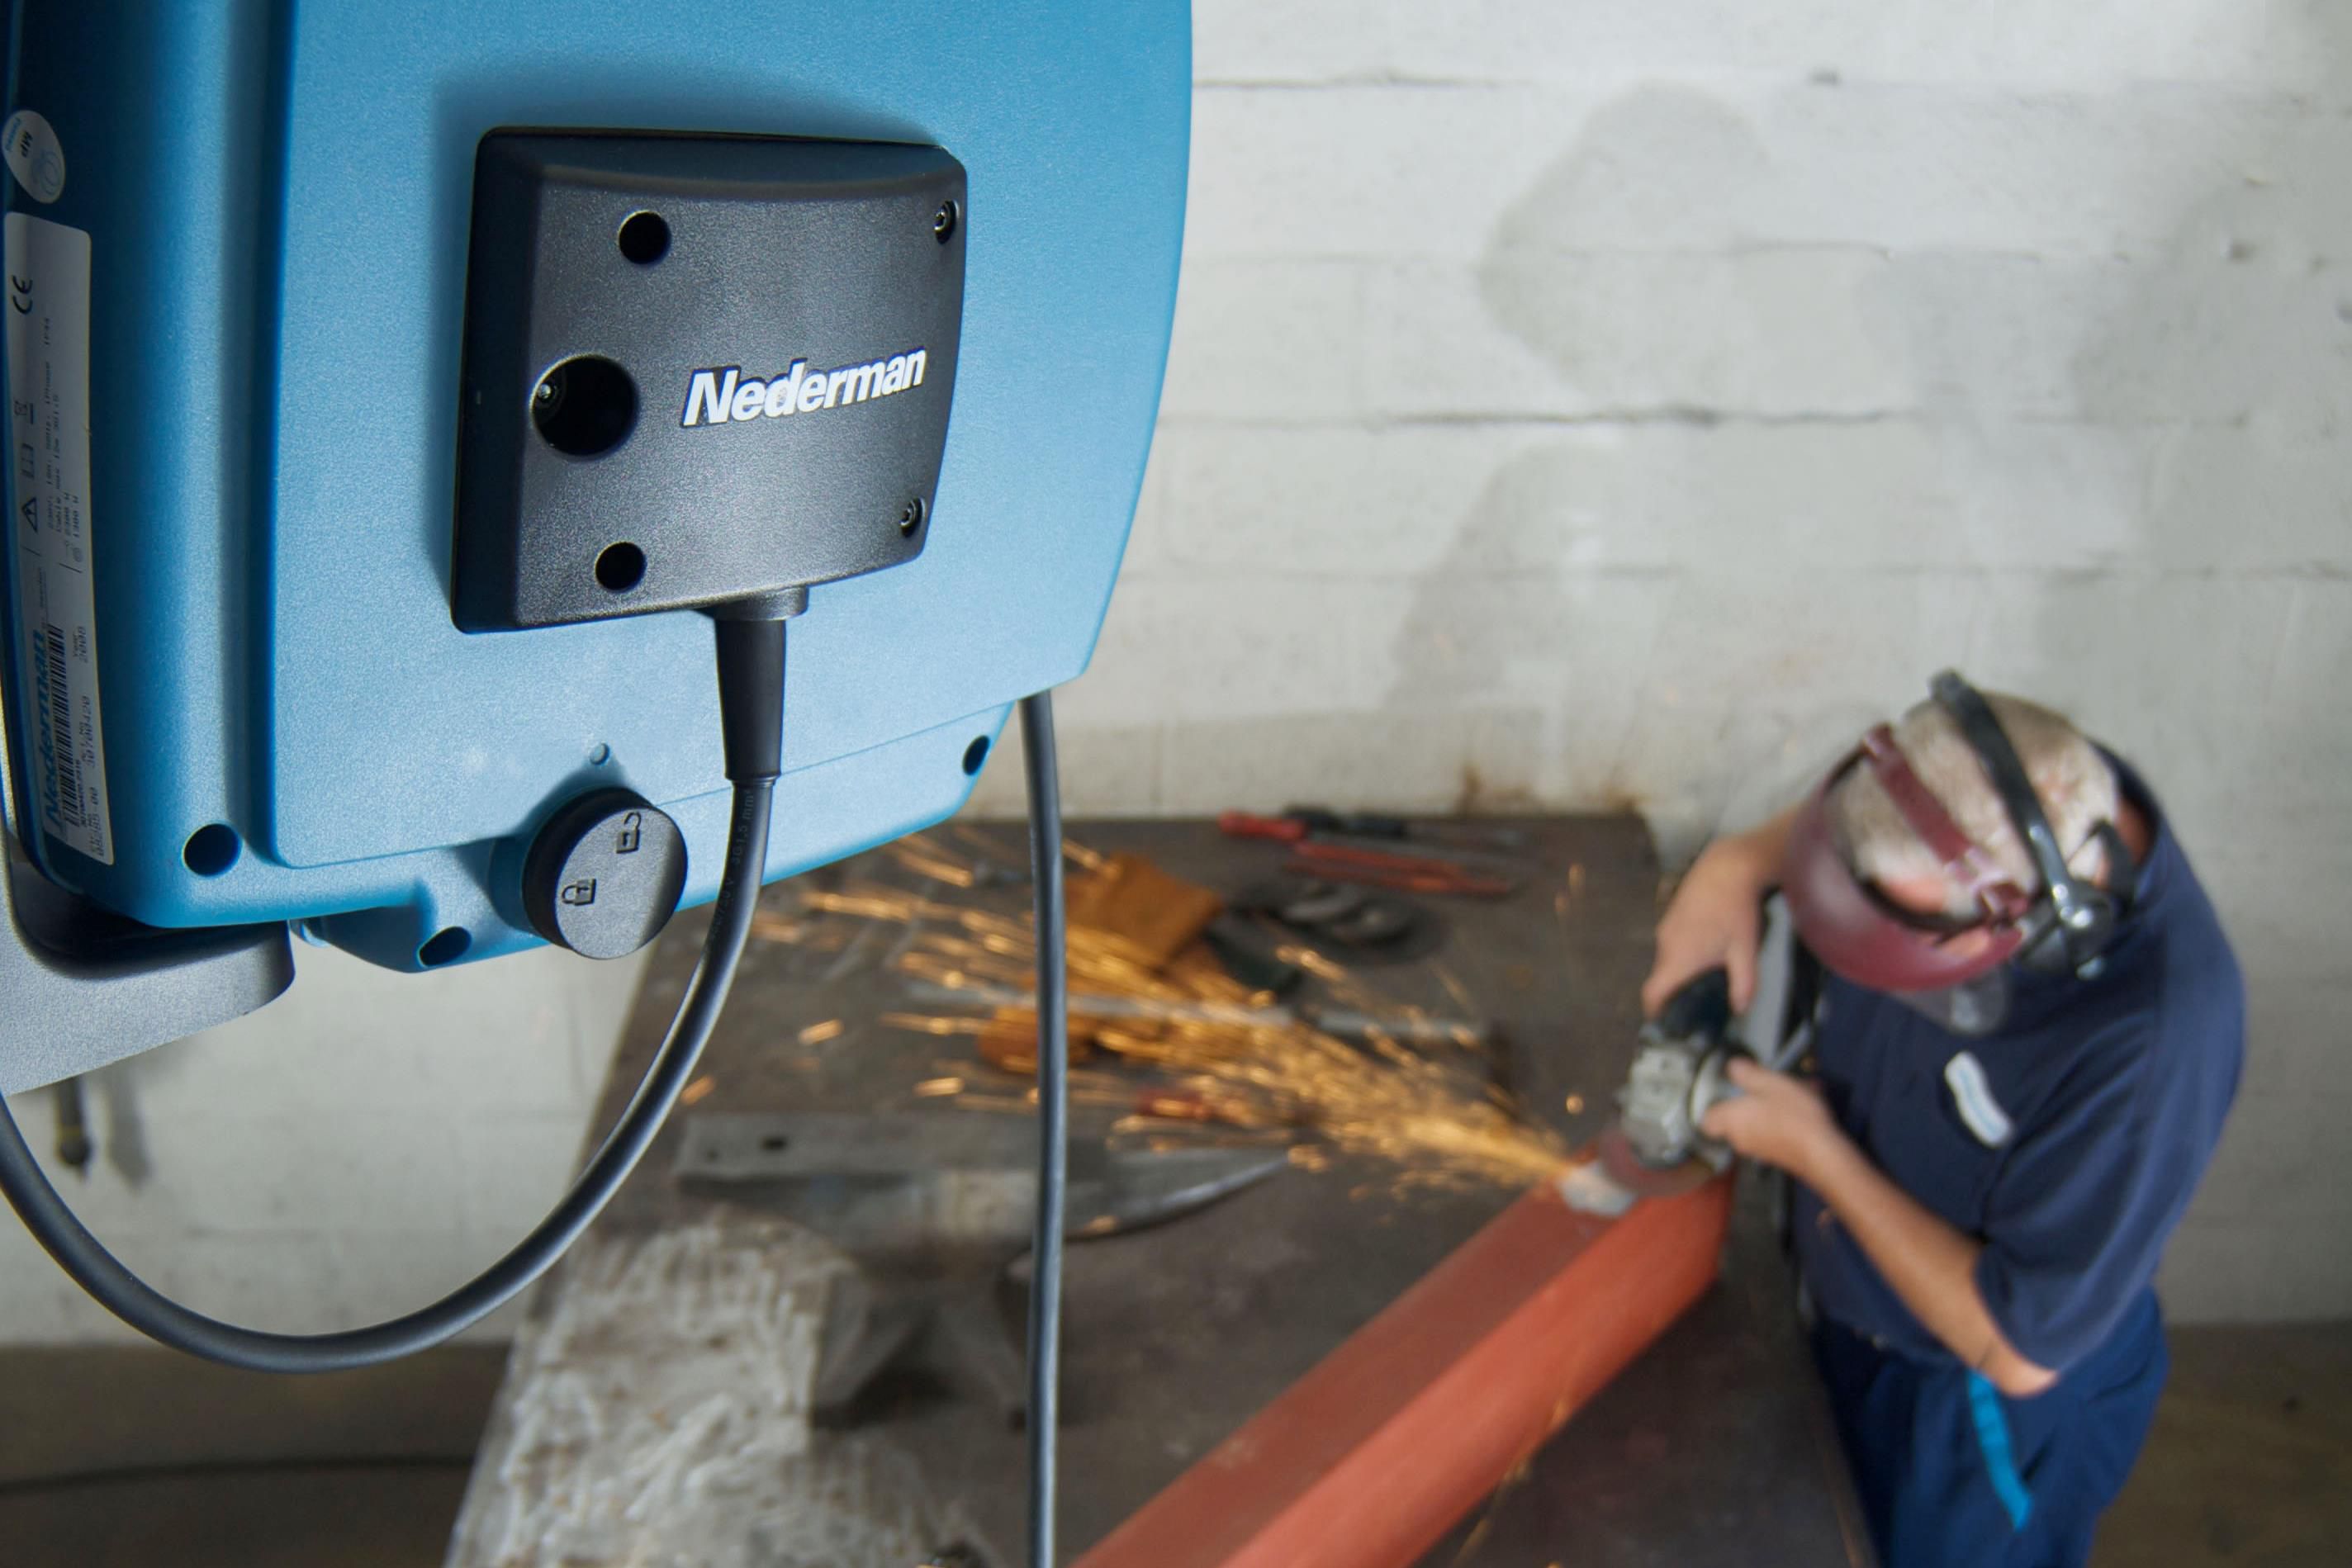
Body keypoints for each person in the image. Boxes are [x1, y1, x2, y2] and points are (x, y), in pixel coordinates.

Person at [1643, 673, 2241, 1568]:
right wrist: (1737, 864)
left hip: (1971, 1410)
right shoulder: (2014, 784)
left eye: (1906, 933)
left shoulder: (2150, 1045)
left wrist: (1816, 1154)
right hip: (1852, 1312)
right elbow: (1858, 826)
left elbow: (2017, 1349)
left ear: (2027, 916)